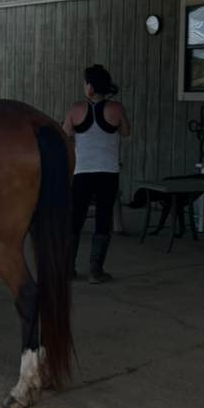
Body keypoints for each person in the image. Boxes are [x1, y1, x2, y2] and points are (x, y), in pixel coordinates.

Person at [63, 64, 131, 283]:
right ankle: (95, 271)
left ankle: (68, 268)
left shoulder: (75, 109)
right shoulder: (117, 108)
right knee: (103, 218)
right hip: (108, 172)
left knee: (76, 219)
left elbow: (65, 135)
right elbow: (126, 131)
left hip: (82, 172)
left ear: (90, 86)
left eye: (85, 82)